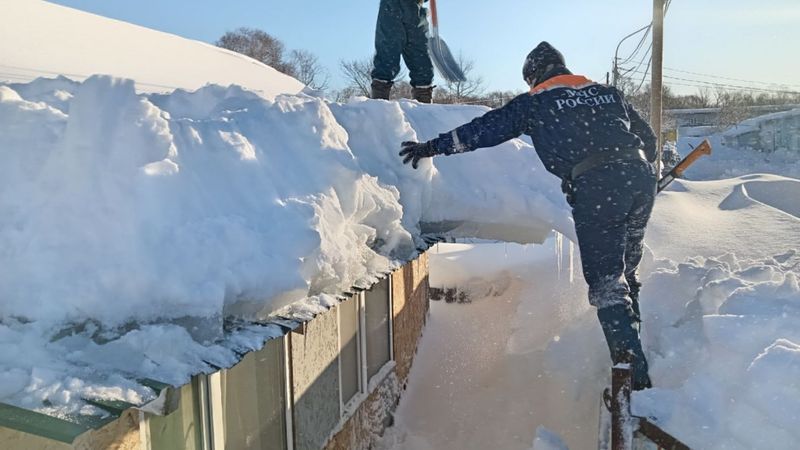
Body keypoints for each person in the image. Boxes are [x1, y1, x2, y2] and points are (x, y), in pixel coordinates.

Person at [399, 41, 657, 390]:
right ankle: (637, 341)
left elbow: (482, 131)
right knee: (627, 265)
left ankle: (632, 380)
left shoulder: (536, 101)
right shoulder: (608, 93)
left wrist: (431, 147)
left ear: (533, 77)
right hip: (639, 177)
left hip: (598, 186)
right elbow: (649, 140)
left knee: (606, 282)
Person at [371, 0, 434, 103]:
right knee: (387, 53)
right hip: (392, 6)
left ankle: (424, 101)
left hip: (416, 9)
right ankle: (379, 103)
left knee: (421, 57)